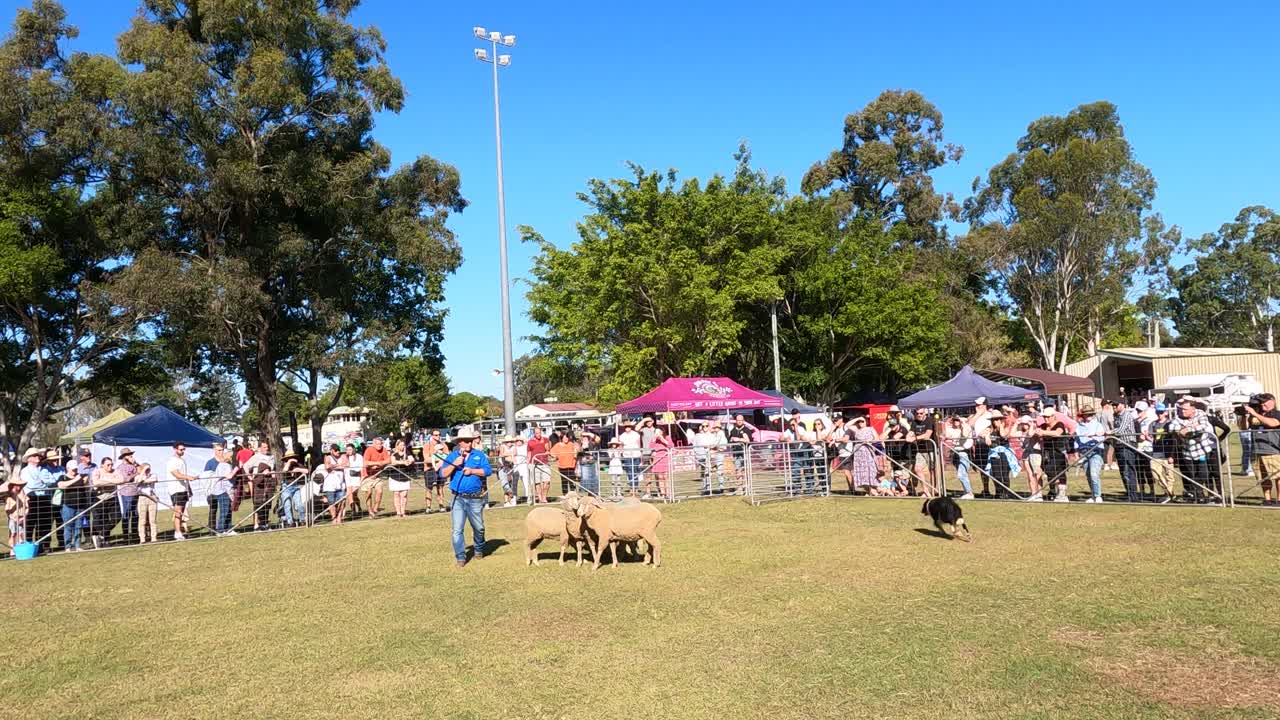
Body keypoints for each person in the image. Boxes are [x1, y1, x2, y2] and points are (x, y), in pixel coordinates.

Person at [441, 428, 493, 567]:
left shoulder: (479, 455)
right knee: (457, 530)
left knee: (479, 528)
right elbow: (443, 474)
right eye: (466, 441)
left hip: (475, 498)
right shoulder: (452, 456)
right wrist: (455, 465)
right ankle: (460, 557)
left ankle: (478, 549)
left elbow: (488, 471)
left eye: (470, 441)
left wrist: (472, 471)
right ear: (459, 442)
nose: (469, 443)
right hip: (457, 498)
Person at [1245, 393, 1280, 506]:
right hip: (1257, 450)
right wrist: (1245, 415)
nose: (1262, 404)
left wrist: (1255, 413)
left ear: (1272, 401)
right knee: (1263, 477)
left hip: (1273, 450)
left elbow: (1272, 423)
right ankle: (1267, 499)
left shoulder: (1276, 414)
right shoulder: (1256, 414)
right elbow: (1244, 427)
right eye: (1261, 402)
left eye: (1265, 402)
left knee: (1278, 476)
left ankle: (1279, 500)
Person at [22, 447, 57, 553]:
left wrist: (43, 482)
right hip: (31, 498)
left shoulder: (44, 469)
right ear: (29, 458)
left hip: (45, 498)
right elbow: (31, 484)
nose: (37, 457)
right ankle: (28, 545)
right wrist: (43, 482)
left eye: (38, 455)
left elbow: (53, 481)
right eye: (34, 456)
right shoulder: (25, 471)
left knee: (45, 523)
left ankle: (43, 545)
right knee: (30, 523)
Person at [89, 456, 125, 549]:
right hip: (99, 498)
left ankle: (103, 533)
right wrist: (112, 481)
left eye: (111, 464)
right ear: (102, 465)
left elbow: (121, 480)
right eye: (108, 465)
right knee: (100, 519)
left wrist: (104, 481)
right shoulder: (97, 471)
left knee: (117, 517)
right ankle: (103, 540)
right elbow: (96, 482)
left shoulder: (115, 471)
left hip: (112, 497)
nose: (110, 466)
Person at [56, 460, 90, 551]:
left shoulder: (81, 476)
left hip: (80, 505)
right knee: (68, 526)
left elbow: (86, 484)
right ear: (67, 468)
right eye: (73, 469)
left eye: (76, 469)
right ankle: (68, 546)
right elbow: (61, 485)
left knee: (78, 526)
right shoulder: (63, 477)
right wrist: (75, 480)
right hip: (68, 505)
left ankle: (77, 545)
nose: (75, 471)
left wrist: (84, 480)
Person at [1075, 406, 1106, 503]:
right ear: (1083, 415)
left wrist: (1093, 436)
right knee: (1088, 475)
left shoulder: (1098, 425)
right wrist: (1077, 452)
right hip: (1084, 452)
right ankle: (1093, 495)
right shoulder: (1079, 426)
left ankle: (1098, 496)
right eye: (1087, 414)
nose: (1089, 416)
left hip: (1095, 451)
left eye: (1090, 414)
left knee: (1094, 474)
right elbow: (1077, 440)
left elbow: (1102, 438)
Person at [1039, 407, 1070, 502]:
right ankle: (1053, 491)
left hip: (1058, 452)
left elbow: (1057, 433)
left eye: (1048, 417)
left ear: (1053, 416)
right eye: (1044, 417)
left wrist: (1043, 433)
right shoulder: (1043, 426)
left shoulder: (1059, 424)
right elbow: (1036, 431)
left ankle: (1062, 494)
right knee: (1049, 472)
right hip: (1047, 453)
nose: (1046, 419)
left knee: (1060, 473)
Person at [167, 443, 197, 540]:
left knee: (182, 512)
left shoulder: (182, 460)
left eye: (184, 449)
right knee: (178, 512)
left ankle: (179, 531)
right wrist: (189, 477)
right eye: (181, 449)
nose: (183, 451)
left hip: (183, 489)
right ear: (175, 449)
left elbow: (183, 475)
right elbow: (177, 475)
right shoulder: (172, 461)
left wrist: (189, 488)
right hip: (176, 489)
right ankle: (177, 532)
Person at [942, 416, 975, 499]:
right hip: (956, 453)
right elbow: (945, 435)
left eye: (957, 420)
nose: (955, 422)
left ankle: (969, 493)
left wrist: (963, 424)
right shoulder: (952, 429)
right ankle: (967, 491)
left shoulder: (966, 427)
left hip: (964, 453)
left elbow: (964, 435)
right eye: (954, 420)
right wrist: (946, 424)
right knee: (962, 474)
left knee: (961, 474)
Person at [207, 445, 236, 535]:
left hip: (226, 489)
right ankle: (220, 529)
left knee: (228, 509)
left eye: (222, 450)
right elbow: (228, 476)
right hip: (221, 490)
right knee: (223, 510)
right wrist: (236, 469)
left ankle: (228, 528)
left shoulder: (226, 465)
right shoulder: (222, 465)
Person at [361, 437, 391, 518]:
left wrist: (380, 464)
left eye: (380, 444)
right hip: (367, 475)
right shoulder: (369, 450)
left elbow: (388, 460)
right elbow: (366, 462)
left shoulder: (384, 450)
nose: (379, 445)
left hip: (377, 475)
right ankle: (370, 510)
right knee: (368, 493)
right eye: (377, 444)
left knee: (380, 491)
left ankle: (375, 508)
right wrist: (377, 463)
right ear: (373, 444)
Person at [725, 415, 754, 494]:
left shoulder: (747, 430)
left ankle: (747, 487)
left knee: (746, 470)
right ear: (736, 421)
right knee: (738, 470)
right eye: (738, 420)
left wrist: (740, 439)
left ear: (743, 421)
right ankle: (740, 488)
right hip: (736, 453)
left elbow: (749, 441)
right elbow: (729, 440)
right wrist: (731, 440)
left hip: (745, 453)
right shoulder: (733, 430)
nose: (739, 421)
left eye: (741, 420)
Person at [849, 416, 879, 494]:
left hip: (868, 451)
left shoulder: (870, 429)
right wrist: (858, 418)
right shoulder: (856, 430)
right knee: (861, 471)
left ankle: (873, 488)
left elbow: (877, 438)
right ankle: (868, 490)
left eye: (862, 421)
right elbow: (847, 425)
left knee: (870, 469)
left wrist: (869, 441)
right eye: (859, 422)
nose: (860, 423)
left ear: (866, 422)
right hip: (858, 453)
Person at [116, 448, 140, 544]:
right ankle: (125, 536)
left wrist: (136, 464)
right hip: (126, 493)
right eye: (128, 454)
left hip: (136, 492)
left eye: (131, 454)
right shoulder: (120, 467)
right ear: (123, 457)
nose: (130, 456)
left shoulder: (134, 465)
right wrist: (136, 474)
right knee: (127, 514)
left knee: (135, 514)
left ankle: (134, 534)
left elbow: (143, 469)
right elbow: (126, 479)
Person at [279, 450, 309, 526]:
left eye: (292, 457)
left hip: (296, 486)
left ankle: (302, 520)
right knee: (287, 505)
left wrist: (298, 469)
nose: (291, 458)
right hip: (286, 487)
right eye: (289, 458)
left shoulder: (297, 464)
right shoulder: (284, 464)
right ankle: (290, 522)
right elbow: (284, 471)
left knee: (299, 504)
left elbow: (307, 471)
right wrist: (289, 462)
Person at [388, 439, 415, 518]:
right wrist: (403, 462)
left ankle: (403, 512)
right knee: (396, 494)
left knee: (404, 495)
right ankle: (398, 512)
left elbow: (411, 459)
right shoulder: (393, 452)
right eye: (400, 445)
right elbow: (393, 462)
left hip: (405, 476)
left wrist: (409, 461)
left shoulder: (407, 452)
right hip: (395, 476)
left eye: (403, 445)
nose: (402, 447)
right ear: (397, 445)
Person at [321, 444, 346, 524]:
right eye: (336, 450)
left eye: (338, 450)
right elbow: (327, 467)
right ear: (331, 451)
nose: (338, 451)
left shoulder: (342, 457)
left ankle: (339, 517)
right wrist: (338, 465)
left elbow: (346, 465)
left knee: (342, 502)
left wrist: (334, 466)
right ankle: (334, 517)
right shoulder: (328, 457)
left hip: (341, 484)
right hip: (330, 485)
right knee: (331, 503)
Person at [526, 426, 552, 503]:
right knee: (537, 482)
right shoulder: (530, 442)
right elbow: (529, 453)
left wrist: (547, 451)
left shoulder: (545, 440)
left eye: (539, 433)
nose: (538, 434)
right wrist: (528, 463)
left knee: (547, 481)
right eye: (537, 433)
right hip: (535, 464)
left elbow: (548, 450)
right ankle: (540, 498)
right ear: (534, 433)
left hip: (544, 463)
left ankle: (544, 496)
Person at [617, 421, 643, 497]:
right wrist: (620, 453)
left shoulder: (636, 434)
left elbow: (639, 445)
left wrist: (641, 456)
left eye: (628, 426)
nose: (627, 428)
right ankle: (631, 488)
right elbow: (621, 446)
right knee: (629, 472)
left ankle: (636, 489)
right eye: (626, 427)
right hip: (627, 455)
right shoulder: (622, 436)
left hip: (636, 455)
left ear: (631, 427)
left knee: (635, 471)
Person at [648, 426, 674, 500]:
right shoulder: (654, 439)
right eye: (656, 432)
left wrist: (662, 439)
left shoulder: (667, 437)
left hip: (665, 457)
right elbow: (650, 447)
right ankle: (663, 493)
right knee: (660, 477)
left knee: (666, 476)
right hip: (657, 458)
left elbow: (671, 445)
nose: (657, 434)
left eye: (658, 432)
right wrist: (654, 439)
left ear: (662, 432)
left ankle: (668, 493)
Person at [135, 463, 159, 543]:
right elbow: (138, 481)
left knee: (152, 520)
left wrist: (143, 481)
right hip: (142, 498)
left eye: (149, 469)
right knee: (142, 520)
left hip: (152, 498)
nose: (148, 471)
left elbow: (154, 479)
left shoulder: (153, 475)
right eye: (146, 469)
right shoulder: (138, 476)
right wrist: (143, 472)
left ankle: (154, 537)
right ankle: (142, 538)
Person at [550, 432, 579, 497]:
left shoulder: (571, 444)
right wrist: (556, 456)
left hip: (571, 466)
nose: (566, 439)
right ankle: (565, 495)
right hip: (562, 466)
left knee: (572, 481)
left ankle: (573, 495)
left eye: (567, 437)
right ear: (561, 438)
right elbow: (551, 452)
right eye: (564, 438)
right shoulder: (558, 445)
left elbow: (576, 451)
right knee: (564, 481)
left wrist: (576, 450)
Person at [341, 443, 364, 519]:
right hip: (348, 478)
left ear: (353, 449)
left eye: (350, 449)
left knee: (354, 494)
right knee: (349, 494)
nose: (348, 451)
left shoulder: (359, 457)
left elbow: (361, 468)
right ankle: (353, 510)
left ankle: (359, 507)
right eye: (347, 449)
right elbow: (341, 464)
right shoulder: (344, 457)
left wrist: (362, 478)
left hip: (356, 478)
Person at [577, 431, 600, 498]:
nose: (585, 438)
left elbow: (598, 439)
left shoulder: (592, 443)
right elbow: (578, 455)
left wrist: (589, 434)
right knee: (585, 479)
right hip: (584, 464)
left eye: (586, 437)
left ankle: (593, 494)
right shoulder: (579, 445)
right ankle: (586, 495)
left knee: (594, 478)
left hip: (593, 463)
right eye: (583, 437)